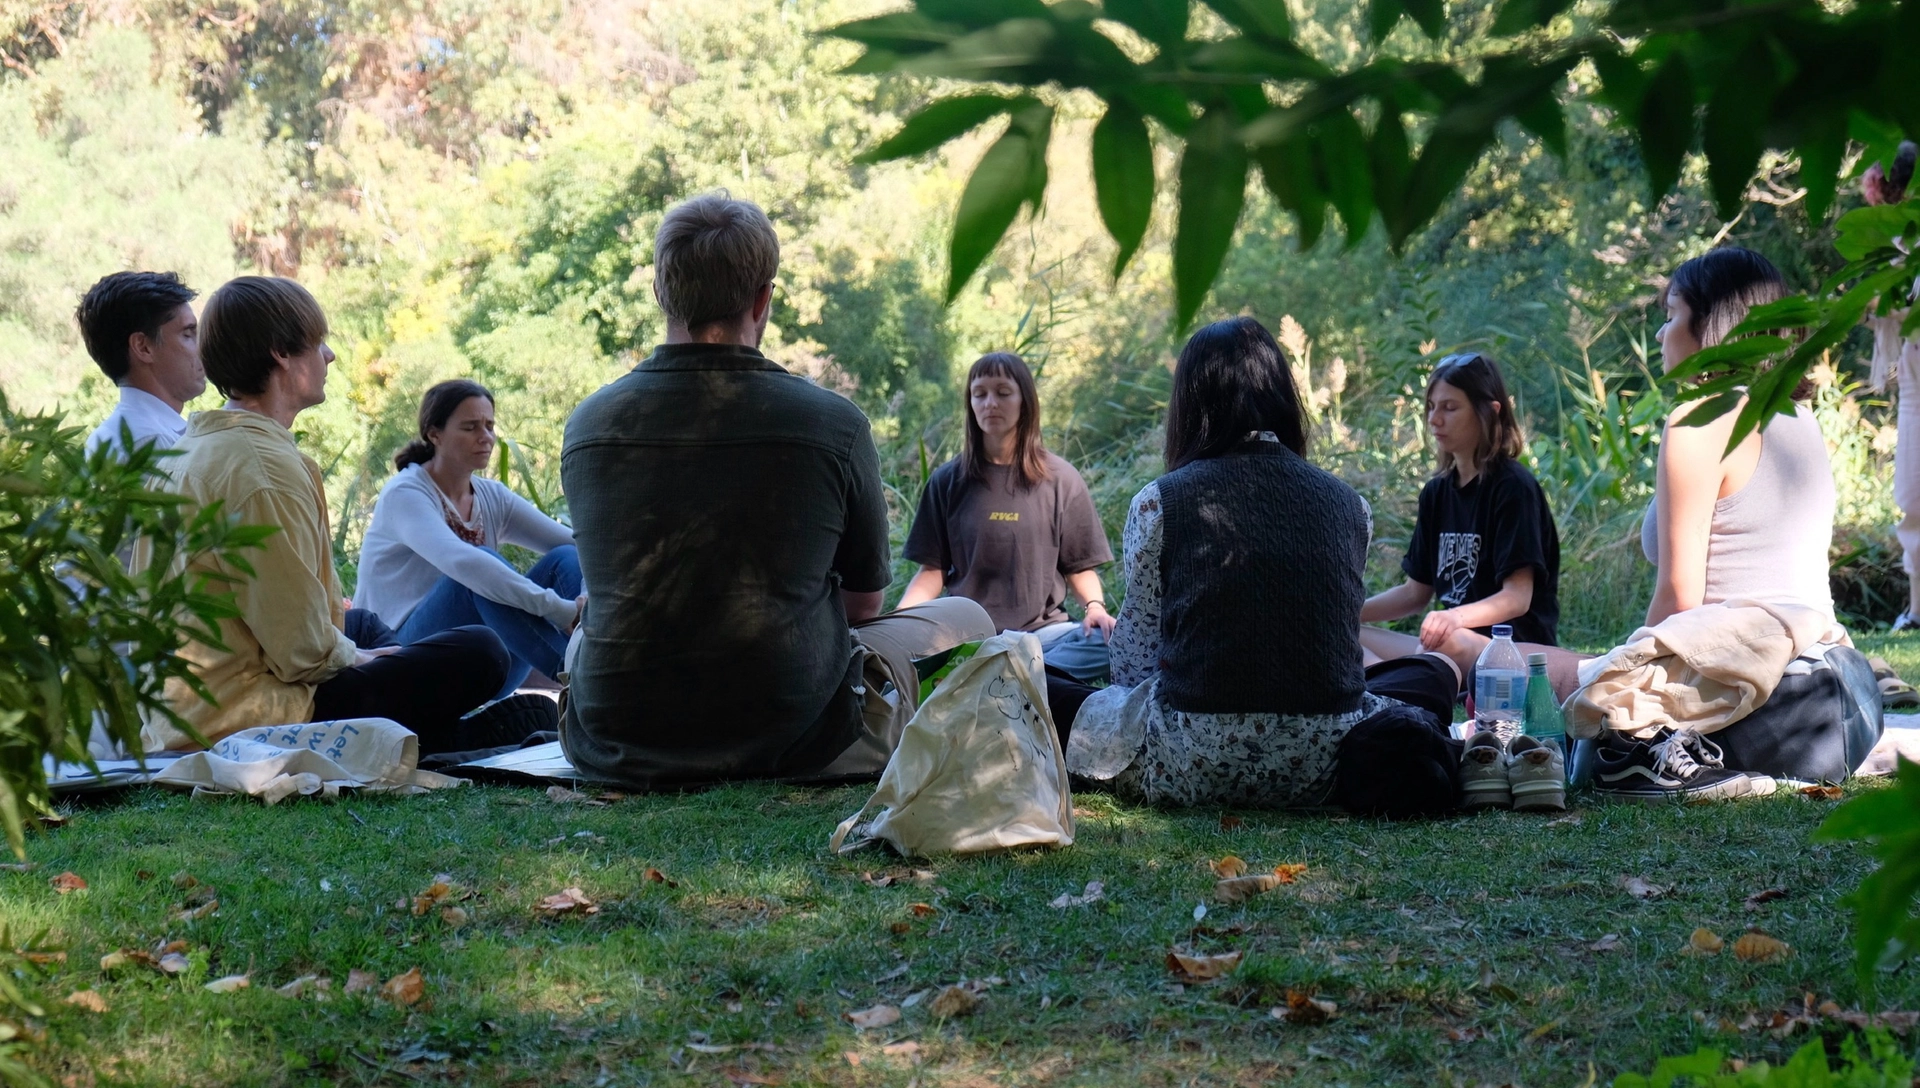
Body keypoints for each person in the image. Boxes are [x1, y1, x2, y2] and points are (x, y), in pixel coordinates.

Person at [560, 192, 994, 789]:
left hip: (614, 740)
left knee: (586, 624)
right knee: (968, 615)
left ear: (660, 293)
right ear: (763, 299)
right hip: (798, 739)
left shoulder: (589, 424)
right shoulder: (834, 424)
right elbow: (864, 606)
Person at [1063, 317, 1465, 814]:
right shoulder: (1350, 506)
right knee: (1434, 672)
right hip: (1325, 764)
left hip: (1190, 761)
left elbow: (1135, 656)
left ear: (1189, 404)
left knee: (1043, 685)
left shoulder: (1158, 501)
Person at [147, 276, 524, 754]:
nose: (329, 356)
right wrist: (365, 660)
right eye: (318, 343)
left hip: (185, 707)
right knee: (482, 652)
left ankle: (435, 730)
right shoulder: (262, 469)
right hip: (249, 713)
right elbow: (301, 651)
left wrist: (364, 651)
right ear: (281, 354)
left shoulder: (190, 449)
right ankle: (444, 736)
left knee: (360, 623)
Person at [1584, 247, 1870, 798]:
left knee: (1548, 677)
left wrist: (1623, 673)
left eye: (1672, 315)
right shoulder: (1796, 414)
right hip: (1843, 695)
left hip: (1768, 699)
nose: (1660, 333)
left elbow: (1679, 597)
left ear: (1712, 327)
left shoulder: (1699, 419)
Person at [354, 380, 583, 699]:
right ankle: (583, 679)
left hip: (487, 661)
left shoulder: (492, 496)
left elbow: (579, 545)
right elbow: (463, 563)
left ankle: (600, 655)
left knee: (566, 557)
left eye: (489, 426)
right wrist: (559, 609)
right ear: (434, 434)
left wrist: (585, 600)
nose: (485, 436)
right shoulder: (405, 493)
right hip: (399, 662)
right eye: (470, 427)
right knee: (476, 572)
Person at [899, 352, 1115, 682]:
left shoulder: (1062, 479)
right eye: (979, 394)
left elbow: (1079, 567)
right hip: (967, 639)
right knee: (901, 667)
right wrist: (898, 626)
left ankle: (995, 680)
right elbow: (931, 571)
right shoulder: (947, 481)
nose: (990, 403)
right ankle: (1020, 680)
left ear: (1024, 400)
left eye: (1002, 393)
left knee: (1110, 643)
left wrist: (1095, 608)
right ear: (970, 403)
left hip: (1043, 638)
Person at [1359, 353, 1561, 673]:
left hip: (1512, 651)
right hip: (1445, 648)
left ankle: (1402, 683)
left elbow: (1517, 597)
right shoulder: (1436, 494)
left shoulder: (1513, 488)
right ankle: (1389, 689)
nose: (1434, 419)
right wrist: (1345, 611)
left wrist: (1453, 618)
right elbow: (1414, 594)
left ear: (1490, 412)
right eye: (1431, 407)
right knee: (1340, 634)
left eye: (1450, 408)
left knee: (1446, 642)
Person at [75, 271, 205, 458]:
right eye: (187, 334)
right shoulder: (149, 443)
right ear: (143, 347)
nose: (202, 346)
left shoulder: (108, 436)